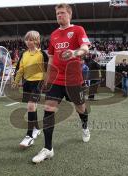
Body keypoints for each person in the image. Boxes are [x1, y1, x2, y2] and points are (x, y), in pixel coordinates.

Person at [32, 3, 91, 163]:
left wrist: (75, 52)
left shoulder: (78, 30)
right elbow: (51, 57)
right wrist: (47, 76)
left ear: (69, 14)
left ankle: (85, 126)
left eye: (62, 13)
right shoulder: (53, 35)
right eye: (57, 13)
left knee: (81, 107)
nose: (59, 15)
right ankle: (48, 148)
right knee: (48, 109)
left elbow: (85, 48)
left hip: (73, 79)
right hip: (56, 80)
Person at [12, 30, 48, 148]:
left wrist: (47, 83)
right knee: (33, 107)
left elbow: (48, 70)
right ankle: (36, 128)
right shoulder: (24, 54)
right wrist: (16, 81)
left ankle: (29, 136)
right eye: (27, 39)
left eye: (31, 40)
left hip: (38, 82)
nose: (28, 42)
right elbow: (20, 69)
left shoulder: (42, 54)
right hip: (27, 83)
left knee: (31, 106)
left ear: (37, 41)